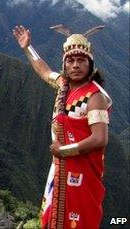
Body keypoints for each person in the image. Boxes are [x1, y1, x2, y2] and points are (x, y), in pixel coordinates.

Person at [12, 25, 111, 229]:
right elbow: (43, 70)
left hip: (81, 171)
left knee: (78, 219)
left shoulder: (94, 97)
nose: (75, 65)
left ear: (90, 65)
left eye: (81, 60)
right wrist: (27, 47)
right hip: (60, 168)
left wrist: (63, 151)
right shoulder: (63, 85)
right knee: (54, 217)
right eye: (71, 60)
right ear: (65, 64)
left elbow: (100, 138)